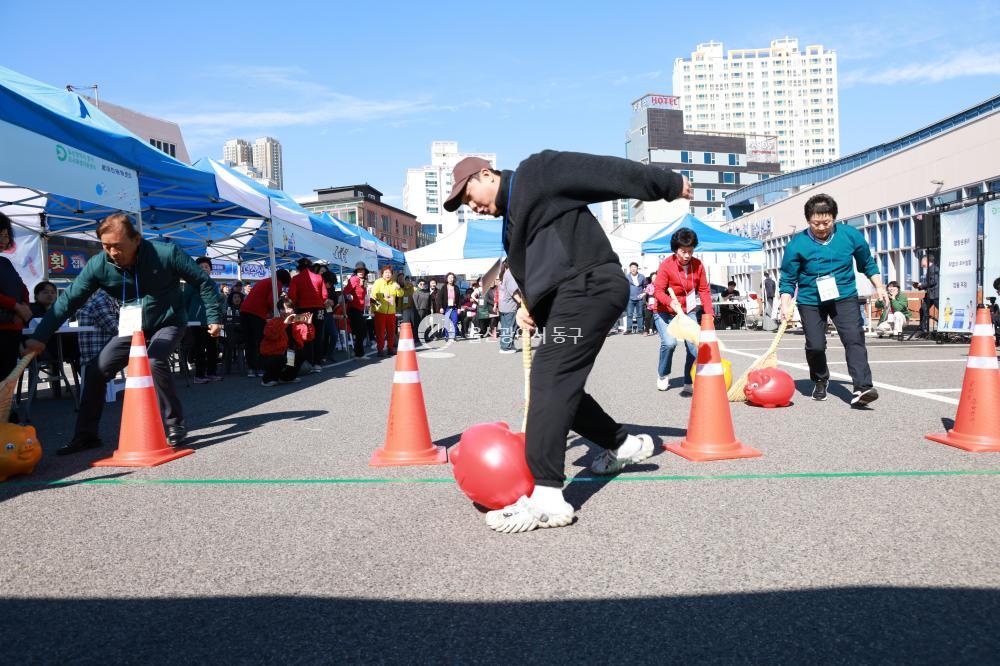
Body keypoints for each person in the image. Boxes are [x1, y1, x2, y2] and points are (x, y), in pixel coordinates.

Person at [444, 151, 692, 533]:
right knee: (560, 385)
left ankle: (547, 498)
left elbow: (606, 173)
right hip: (571, 303)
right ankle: (623, 445)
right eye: (464, 205)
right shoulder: (511, 227)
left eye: (469, 195)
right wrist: (530, 306)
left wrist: (668, 185)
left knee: (549, 376)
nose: (472, 207)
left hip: (591, 286)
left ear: (485, 173)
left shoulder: (535, 173)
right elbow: (544, 268)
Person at [23, 213, 222, 453]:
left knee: (154, 360)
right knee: (95, 371)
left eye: (118, 246)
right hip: (132, 325)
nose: (112, 252)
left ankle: (174, 425)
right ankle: (86, 435)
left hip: (168, 321)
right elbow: (68, 301)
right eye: (106, 246)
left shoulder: (166, 254)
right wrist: (40, 336)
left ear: (136, 239)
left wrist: (214, 317)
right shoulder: (99, 265)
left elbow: (203, 282)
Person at [779, 193, 887, 406]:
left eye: (826, 222)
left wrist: (880, 286)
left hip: (844, 295)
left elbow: (867, 263)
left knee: (854, 338)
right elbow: (788, 278)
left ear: (834, 218)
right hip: (810, 299)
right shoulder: (796, 244)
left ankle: (862, 387)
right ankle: (820, 379)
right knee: (815, 346)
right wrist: (785, 302)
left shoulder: (849, 235)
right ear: (808, 220)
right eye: (815, 223)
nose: (821, 227)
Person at [652, 228, 713, 395]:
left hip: (688, 310)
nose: (687, 255)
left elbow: (704, 290)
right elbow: (658, 291)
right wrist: (670, 302)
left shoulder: (698, 265)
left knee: (694, 346)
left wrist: (709, 315)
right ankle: (663, 374)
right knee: (670, 343)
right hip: (665, 310)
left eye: (690, 251)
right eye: (683, 251)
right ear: (675, 249)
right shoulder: (666, 265)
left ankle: (689, 380)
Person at [0, 213, 32, 422]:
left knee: (7, 377)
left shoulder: (5, 263)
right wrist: (17, 308)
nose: (3, 238)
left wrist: (25, 308)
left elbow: (23, 289)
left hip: (12, 329)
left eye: (5, 234)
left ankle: (5, 417)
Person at [240, 270, 291, 377]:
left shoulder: (266, 280)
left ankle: (251, 369)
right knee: (259, 341)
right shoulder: (276, 283)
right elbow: (272, 300)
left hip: (244, 311)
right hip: (256, 313)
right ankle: (259, 367)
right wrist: (277, 313)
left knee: (249, 341)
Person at [183, 256, 225, 383]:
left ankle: (212, 373)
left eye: (206, 267)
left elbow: (216, 301)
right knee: (199, 349)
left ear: (210, 270)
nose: (204, 269)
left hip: (211, 322)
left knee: (213, 348)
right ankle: (199, 375)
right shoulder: (191, 283)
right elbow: (185, 301)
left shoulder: (213, 284)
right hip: (196, 321)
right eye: (200, 267)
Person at [287, 257, 331, 371]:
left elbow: (292, 295)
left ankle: (308, 362)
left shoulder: (296, 279)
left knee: (306, 335)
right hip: (320, 310)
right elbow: (325, 295)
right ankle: (318, 363)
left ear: (299, 268)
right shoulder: (319, 277)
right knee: (318, 335)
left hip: (303, 310)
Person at [259, 296, 309, 386]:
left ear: (293, 310)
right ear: (279, 310)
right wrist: (284, 323)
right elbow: (270, 335)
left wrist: (308, 324)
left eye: (288, 308)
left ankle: (287, 377)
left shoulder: (296, 323)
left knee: (301, 353)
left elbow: (307, 337)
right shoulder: (274, 321)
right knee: (280, 358)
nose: (286, 311)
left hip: (288, 353)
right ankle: (267, 379)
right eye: (282, 309)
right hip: (271, 355)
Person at [370, 265, 404, 357]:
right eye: (386, 272)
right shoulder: (378, 282)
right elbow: (373, 296)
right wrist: (382, 296)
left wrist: (399, 288)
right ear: (382, 273)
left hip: (391, 312)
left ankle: (390, 348)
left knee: (391, 332)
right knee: (380, 332)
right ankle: (380, 350)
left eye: (389, 273)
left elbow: (401, 295)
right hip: (380, 311)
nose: (388, 274)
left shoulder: (394, 283)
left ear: (392, 274)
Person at [344, 261, 370, 358]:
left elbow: (364, 296)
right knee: (361, 332)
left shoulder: (363, 281)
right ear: (356, 271)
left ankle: (357, 352)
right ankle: (359, 354)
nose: (360, 272)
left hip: (360, 310)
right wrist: (348, 297)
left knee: (362, 332)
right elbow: (345, 291)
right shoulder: (354, 279)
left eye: (362, 270)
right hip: (353, 309)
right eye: (358, 270)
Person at [497, 260, 521, 354]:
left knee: (506, 327)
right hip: (509, 306)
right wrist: (521, 302)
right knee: (509, 327)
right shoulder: (510, 274)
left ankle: (508, 345)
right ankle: (506, 347)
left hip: (504, 306)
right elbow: (513, 291)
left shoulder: (504, 274)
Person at [435, 272, 462, 340]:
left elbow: (459, 299)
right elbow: (440, 299)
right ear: (447, 279)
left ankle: (454, 336)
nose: (451, 279)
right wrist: (441, 307)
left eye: (452, 277)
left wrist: (459, 308)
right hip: (446, 308)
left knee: (455, 321)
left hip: (454, 308)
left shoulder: (456, 287)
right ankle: (447, 335)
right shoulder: (444, 287)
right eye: (449, 277)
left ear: (454, 279)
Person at [623, 262, 647, 334]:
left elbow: (646, 286)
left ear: (637, 268)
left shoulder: (642, 276)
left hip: (639, 298)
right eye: (632, 267)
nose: (633, 269)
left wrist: (643, 293)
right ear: (630, 269)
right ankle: (629, 329)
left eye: (635, 267)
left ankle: (640, 329)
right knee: (629, 314)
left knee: (639, 314)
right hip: (630, 298)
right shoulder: (627, 277)